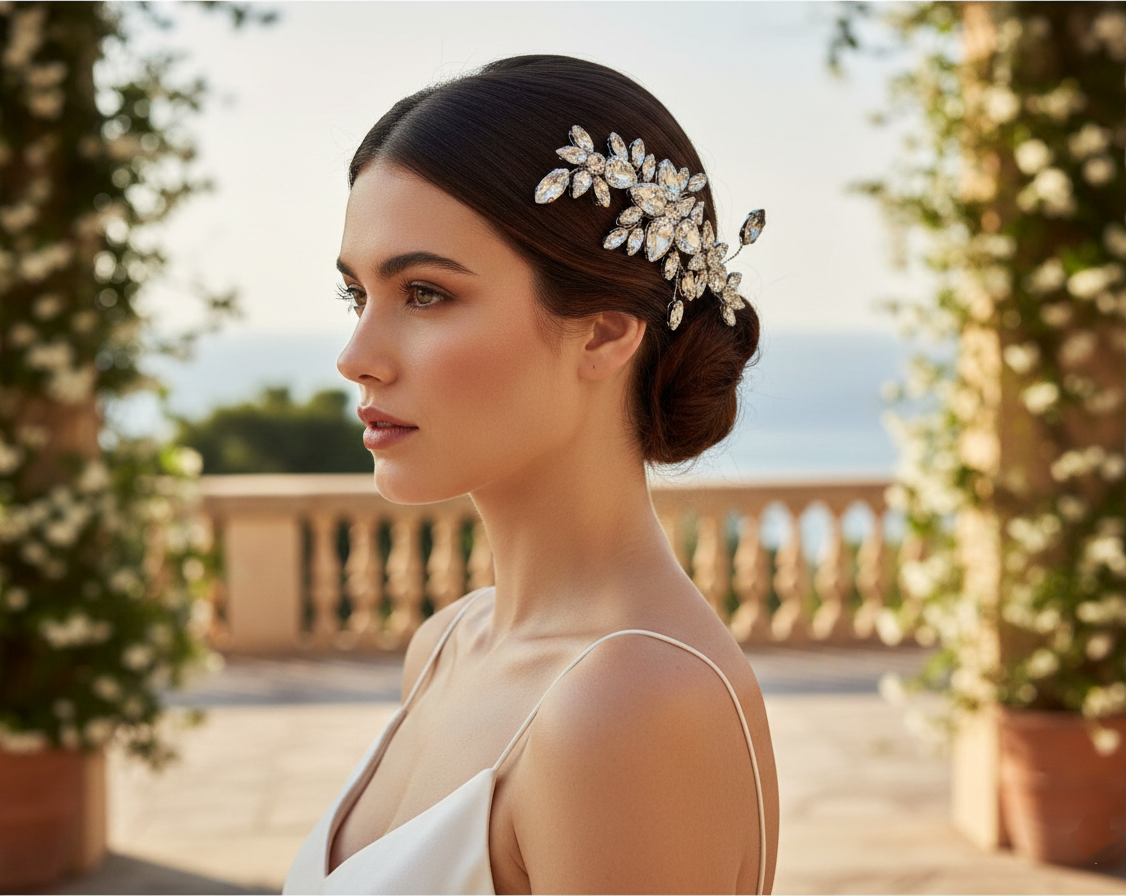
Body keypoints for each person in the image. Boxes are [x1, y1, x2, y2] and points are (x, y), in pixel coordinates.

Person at [283, 54, 780, 896]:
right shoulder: (447, 645)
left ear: (605, 332)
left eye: (425, 293)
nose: (356, 356)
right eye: (356, 296)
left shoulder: (631, 707)